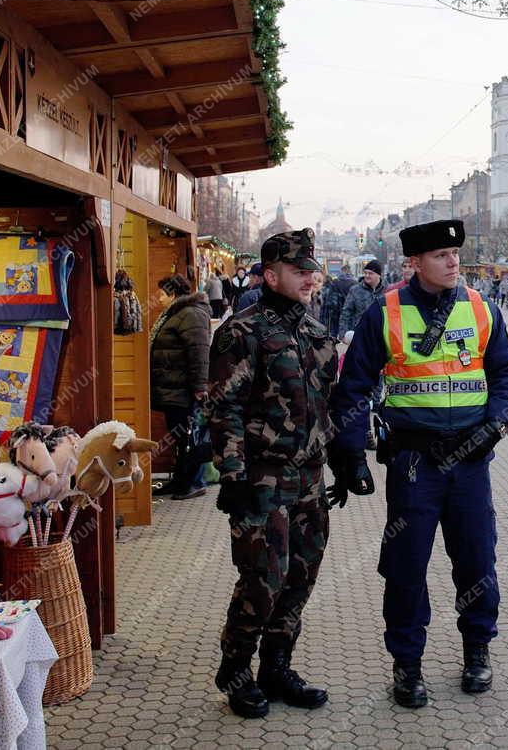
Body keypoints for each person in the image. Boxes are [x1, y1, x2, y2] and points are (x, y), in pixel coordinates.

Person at [330, 219, 508, 709]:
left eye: (455, 254)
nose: (453, 262)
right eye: (440, 255)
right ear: (414, 263)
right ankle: (407, 664)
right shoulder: (385, 313)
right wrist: (350, 452)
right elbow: (353, 386)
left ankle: (477, 650)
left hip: (471, 460)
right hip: (414, 463)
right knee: (406, 566)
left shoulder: (481, 308)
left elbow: (507, 372)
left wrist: (498, 423)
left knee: (477, 559)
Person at [210, 229, 368, 719]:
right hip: (261, 479)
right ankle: (235, 670)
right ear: (271, 274)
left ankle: (276, 668)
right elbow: (224, 408)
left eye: (312, 271)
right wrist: (233, 476)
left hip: (310, 481)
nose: (310, 278)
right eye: (300, 271)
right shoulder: (241, 332)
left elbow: (330, 405)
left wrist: (344, 458)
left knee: (300, 578)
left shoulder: (317, 334)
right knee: (262, 579)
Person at [150, 274, 211, 500]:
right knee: (181, 436)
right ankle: (181, 480)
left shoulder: (190, 314)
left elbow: (199, 354)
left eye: (162, 294)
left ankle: (195, 481)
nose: (159, 299)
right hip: (174, 388)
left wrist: (199, 387)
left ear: (173, 294)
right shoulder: (178, 313)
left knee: (190, 436)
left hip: (184, 390)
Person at [320, 267, 356, 337]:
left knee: (334, 332)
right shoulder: (355, 283)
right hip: (349, 313)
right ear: (350, 271)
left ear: (341, 271)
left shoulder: (335, 282)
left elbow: (330, 299)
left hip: (335, 311)